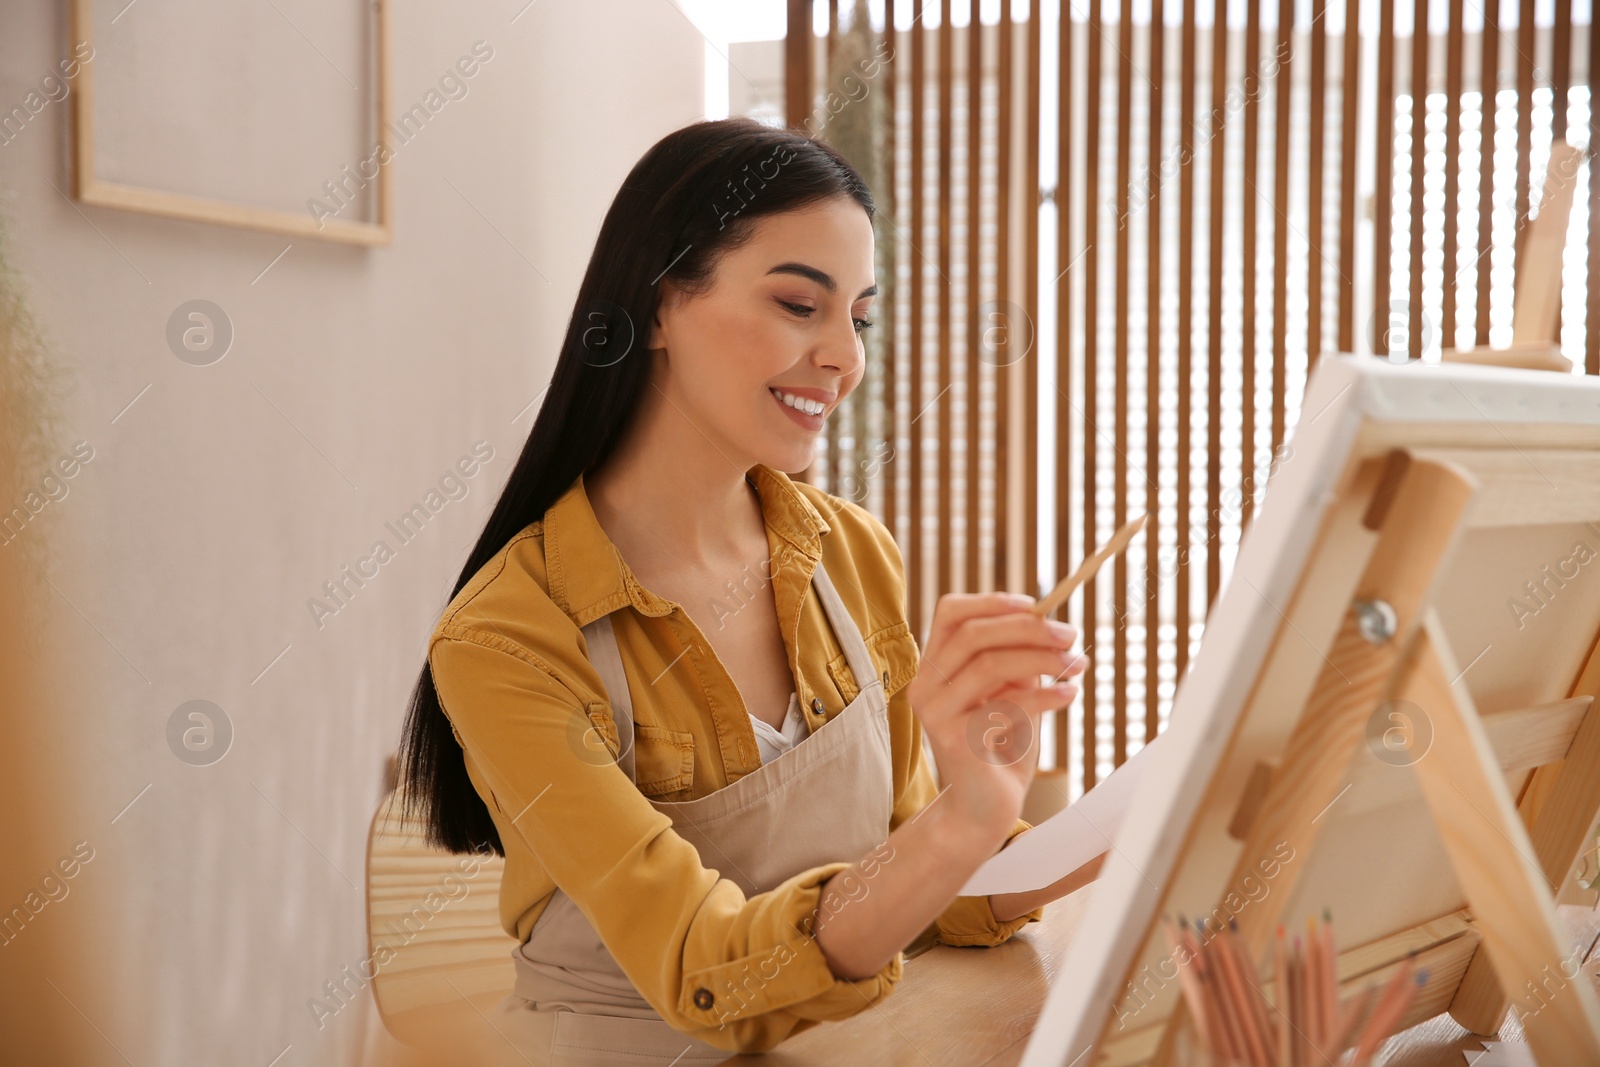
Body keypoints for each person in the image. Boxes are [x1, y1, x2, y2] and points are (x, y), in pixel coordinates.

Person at [396, 117, 1097, 1066]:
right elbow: (700, 969)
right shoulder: (503, 637)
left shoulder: (851, 554)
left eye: (860, 317)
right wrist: (959, 827)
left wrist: (1119, 814)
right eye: (799, 305)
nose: (846, 356)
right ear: (655, 307)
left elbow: (919, 889)